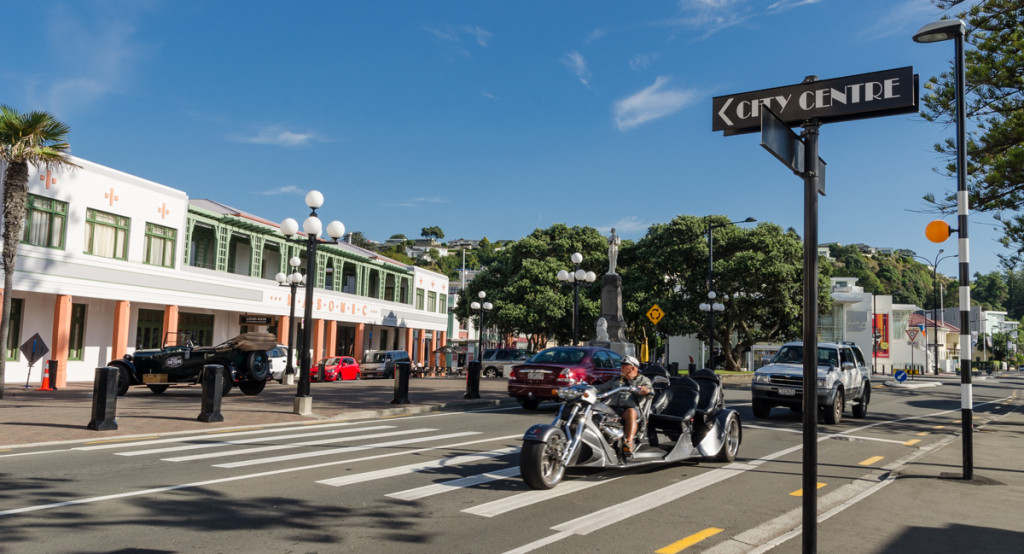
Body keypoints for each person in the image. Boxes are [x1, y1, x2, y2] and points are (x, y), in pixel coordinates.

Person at [595, 355, 652, 455]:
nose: (621, 367)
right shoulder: (616, 379)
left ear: (633, 368)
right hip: (612, 408)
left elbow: (650, 391)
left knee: (631, 412)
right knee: (594, 409)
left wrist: (645, 390)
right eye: (621, 365)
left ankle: (629, 443)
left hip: (630, 409)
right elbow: (602, 387)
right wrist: (587, 388)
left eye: (625, 365)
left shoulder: (643, 380)